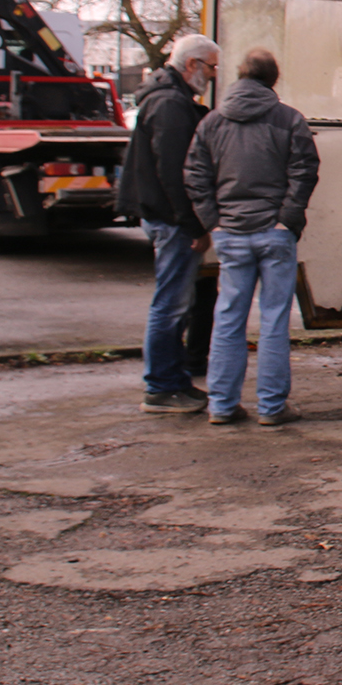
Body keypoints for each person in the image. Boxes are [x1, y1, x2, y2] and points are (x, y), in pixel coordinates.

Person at [184, 48, 319, 427]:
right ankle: (272, 407)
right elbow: (305, 171)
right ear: (273, 79)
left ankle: (222, 406)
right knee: (274, 321)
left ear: (240, 77)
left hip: (231, 234)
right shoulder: (289, 120)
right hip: (274, 235)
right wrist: (287, 220)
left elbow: (194, 175)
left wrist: (215, 222)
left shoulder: (212, 123)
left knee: (228, 321)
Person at [116, 33, 219, 413]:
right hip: (171, 219)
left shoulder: (163, 99)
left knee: (176, 301)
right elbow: (178, 174)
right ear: (191, 64)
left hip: (162, 215)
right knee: (172, 304)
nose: (211, 75)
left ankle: (173, 380)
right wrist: (194, 226)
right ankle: (161, 386)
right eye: (210, 67)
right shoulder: (171, 105)